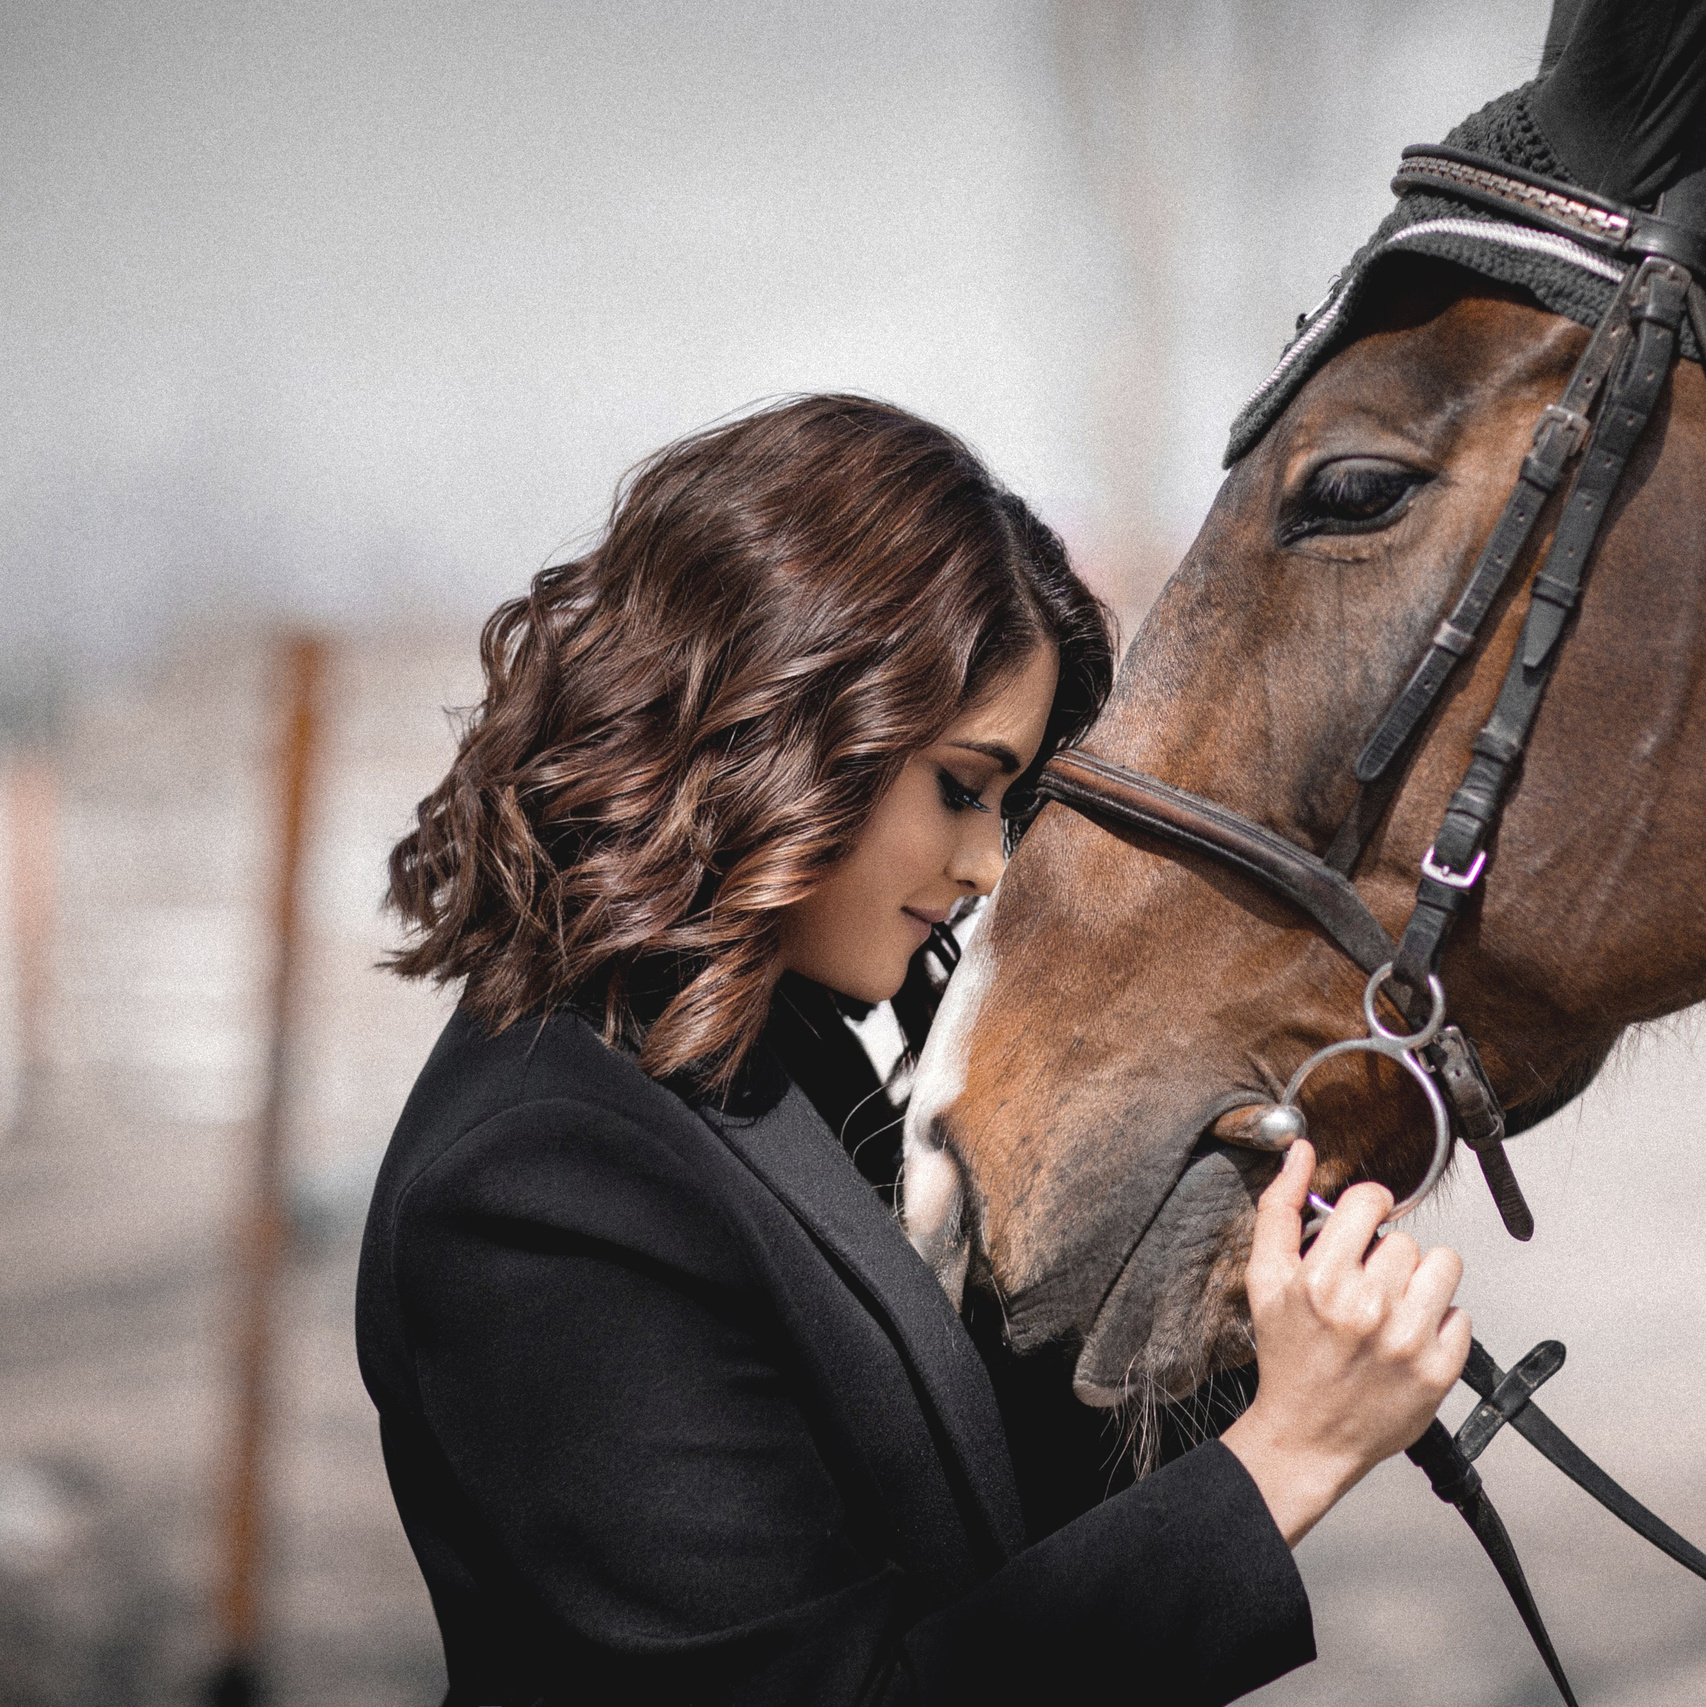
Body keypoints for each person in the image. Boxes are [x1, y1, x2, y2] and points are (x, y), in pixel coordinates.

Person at [359, 395, 1472, 1706]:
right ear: (774, 728)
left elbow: (972, 1512)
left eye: (1007, 805)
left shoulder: (764, 1057)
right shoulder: (547, 1183)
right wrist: (1286, 1460)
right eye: (961, 785)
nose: (986, 862)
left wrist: (1252, 1315)